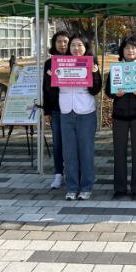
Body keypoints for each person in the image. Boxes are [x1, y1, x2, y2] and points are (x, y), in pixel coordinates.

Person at [58, 33, 102, 201]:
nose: (76, 48)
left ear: (86, 48)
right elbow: (51, 90)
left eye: (79, 45)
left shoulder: (91, 63)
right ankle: (71, 187)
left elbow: (95, 90)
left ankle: (86, 186)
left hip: (86, 113)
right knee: (69, 152)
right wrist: (50, 77)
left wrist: (95, 74)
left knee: (86, 152)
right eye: (73, 45)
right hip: (66, 112)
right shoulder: (61, 64)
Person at [105, 37, 136, 200]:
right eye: (127, 48)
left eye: (133, 48)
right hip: (119, 115)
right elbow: (108, 91)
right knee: (119, 152)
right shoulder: (116, 69)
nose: (130, 51)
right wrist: (115, 93)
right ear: (122, 51)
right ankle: (120, 188)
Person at [43, 30, 71, 190]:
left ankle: (75, 172)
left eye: (65, 41)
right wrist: (46, 111)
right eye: (59, 41)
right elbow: (45, 88)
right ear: (54, 44)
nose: (62, 45)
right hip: (56, 109)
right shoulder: (49, 63)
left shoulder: (77, 60)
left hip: (74, 108)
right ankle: (58, 174)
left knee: (73, 143)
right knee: (58, 143)